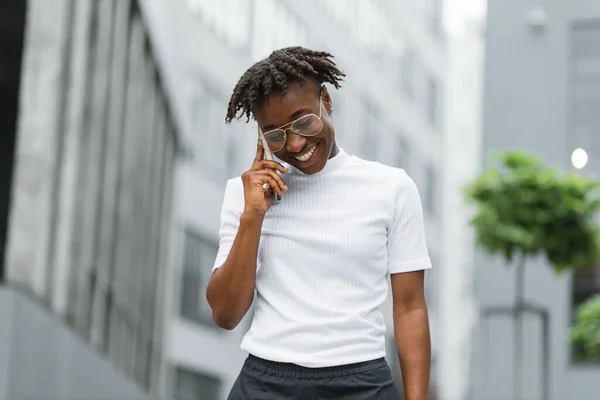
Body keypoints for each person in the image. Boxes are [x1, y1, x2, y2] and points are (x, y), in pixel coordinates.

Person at [206, 46, 432, 400]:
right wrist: (253, 217)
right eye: (276, 134)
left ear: (326, 101)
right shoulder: (245, 195)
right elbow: (225, 314)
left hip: (363, 383)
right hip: (266, 384)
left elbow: (410, 308)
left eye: (304, 121)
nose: (295, 143)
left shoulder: (392, 188)